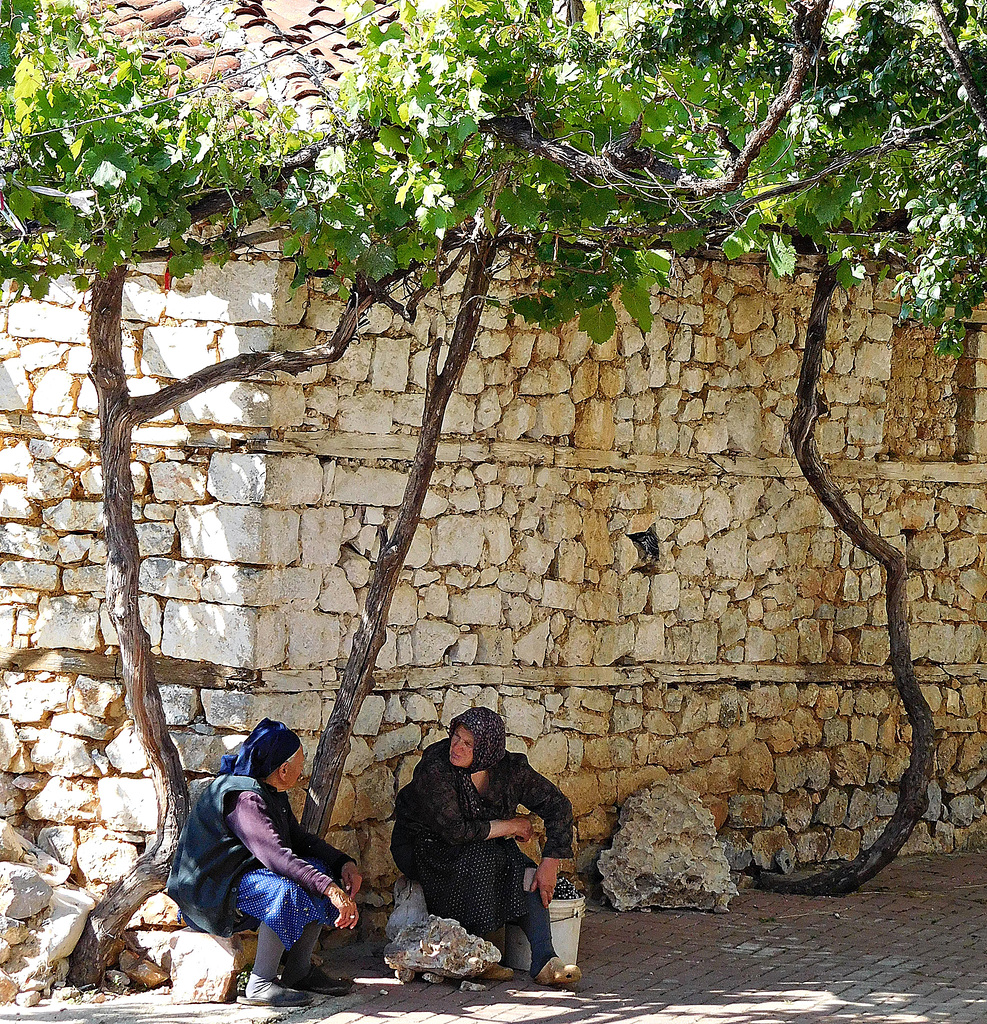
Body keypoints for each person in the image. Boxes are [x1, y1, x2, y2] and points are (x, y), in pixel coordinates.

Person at [167, 719, 363, 1007]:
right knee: (288, 890)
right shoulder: (246, 799)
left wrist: (342, 863)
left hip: (240, 879)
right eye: (300, 761)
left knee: (320, 871)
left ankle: (298, 971)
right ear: (283, 770)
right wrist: (331, 890)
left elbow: (299, 840)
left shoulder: (269, 792)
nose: (303, 767)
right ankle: (260, 983)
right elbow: (277, 857)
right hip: (211, 893)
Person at [390, 706, 581, 987]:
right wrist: (512, 826)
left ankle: (544, 960)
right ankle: (477, 958)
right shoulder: (436, 767)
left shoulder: (510, 770)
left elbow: (558, 806)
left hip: (481, 842)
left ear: (487, 749)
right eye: (456, 737)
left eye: (468, 743)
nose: (457, 747)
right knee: (484, 860)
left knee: (526, 870)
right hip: (424, 844)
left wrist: (551, 861)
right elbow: (455, 831)